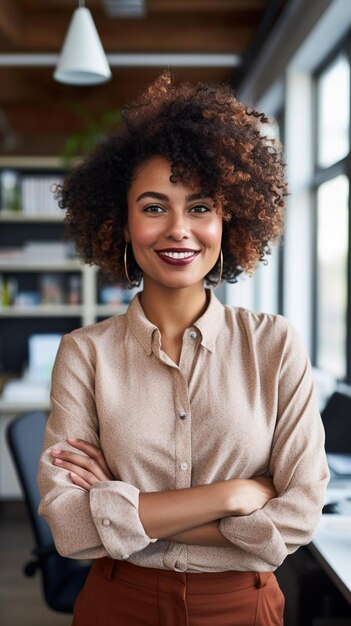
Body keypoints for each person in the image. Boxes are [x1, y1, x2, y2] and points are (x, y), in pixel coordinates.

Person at [38, 73, 329, 626]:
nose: (178, 229)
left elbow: (302, 515)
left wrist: (119, 509)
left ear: (228, 220)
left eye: (199, 207)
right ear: (122, 224)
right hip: (118, 601)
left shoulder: (275, 345)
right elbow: (71, 528)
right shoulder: (85, 353)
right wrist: (238, 494)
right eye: (153, 207)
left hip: (242, 605)